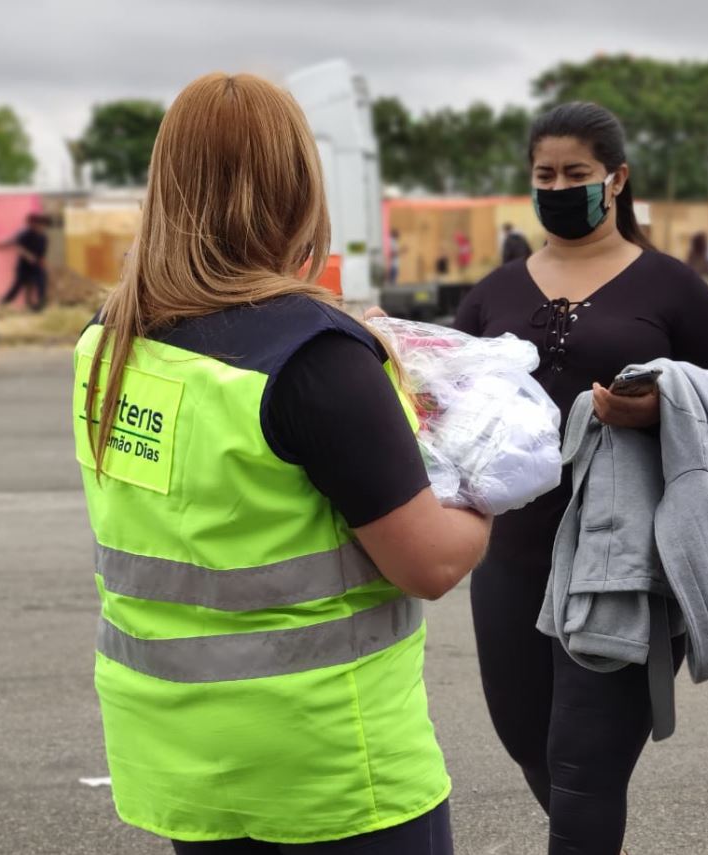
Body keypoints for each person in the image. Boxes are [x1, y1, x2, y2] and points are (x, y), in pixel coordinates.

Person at [71, 73, 492, 854]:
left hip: (179, 762)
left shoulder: (111, 339)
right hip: (331, 774)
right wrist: (486, 482)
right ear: (298, 184)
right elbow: (430, 563)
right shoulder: (313, 358)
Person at [454, 101, 708, 855]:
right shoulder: (492, 293)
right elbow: (445, 397)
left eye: (576, 174)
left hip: (622, 562)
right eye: (543, 174)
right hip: (510, 559)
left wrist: (660, 409)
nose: (558, 186)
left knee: (586, 769)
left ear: (615, 179)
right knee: (529, 744)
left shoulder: (669, 287)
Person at [0, 212, 50, 311]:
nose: (40, 226)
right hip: (24, 267)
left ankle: (40, 307)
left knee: (41, 282)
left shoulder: (43, 238)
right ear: (32, 224)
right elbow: (16, 244)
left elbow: (42, 254)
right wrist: (27, 255)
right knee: (17, 286)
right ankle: (2, 305)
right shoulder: (25, 234)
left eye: (41, 224)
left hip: (36, 266)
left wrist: (42, 263)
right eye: (37, 224)